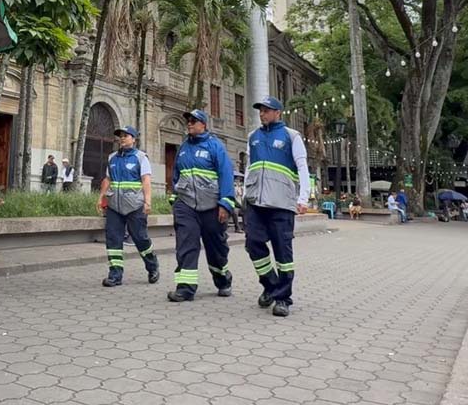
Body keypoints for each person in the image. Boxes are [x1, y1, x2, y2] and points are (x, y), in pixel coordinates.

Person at [242, 97, 310, 318]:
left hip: (282, 203)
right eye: (260, 110)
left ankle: (282, 298)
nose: (262, 114)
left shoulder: (291, 136)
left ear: (278, 112)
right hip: (256, 202)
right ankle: (271, 285)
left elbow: (302, 167)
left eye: (267, 110)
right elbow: (249, 167)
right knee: (253, 244)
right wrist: (244, 194)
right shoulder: (253, 137)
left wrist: (303, 198)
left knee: (282, 251)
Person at [167, 109, 235, 302]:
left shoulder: (215, 146)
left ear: (203, 125)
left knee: (216, 249)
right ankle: (185, 288)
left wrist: (225, 203)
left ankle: (223, 280)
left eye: (193, 121)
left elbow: (226, 174)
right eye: (188, 121)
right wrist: (175, 199)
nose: (189, 123)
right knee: (186, 245)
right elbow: (176, 175)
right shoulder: (183, 148)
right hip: (186, 206)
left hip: (212, 207)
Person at [98, 126, 160, 287]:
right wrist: (101, 197)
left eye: (126, 135)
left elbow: (146, 180)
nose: (122, 138)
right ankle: (115, 275)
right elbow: (107, 179)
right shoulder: (112, 157)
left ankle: (153, 267)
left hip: (135, 206)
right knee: (113, 241)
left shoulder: (141, 158)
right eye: (120, 136)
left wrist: (148, 202)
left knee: (140, 239)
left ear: (134, 139)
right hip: (114, 206)